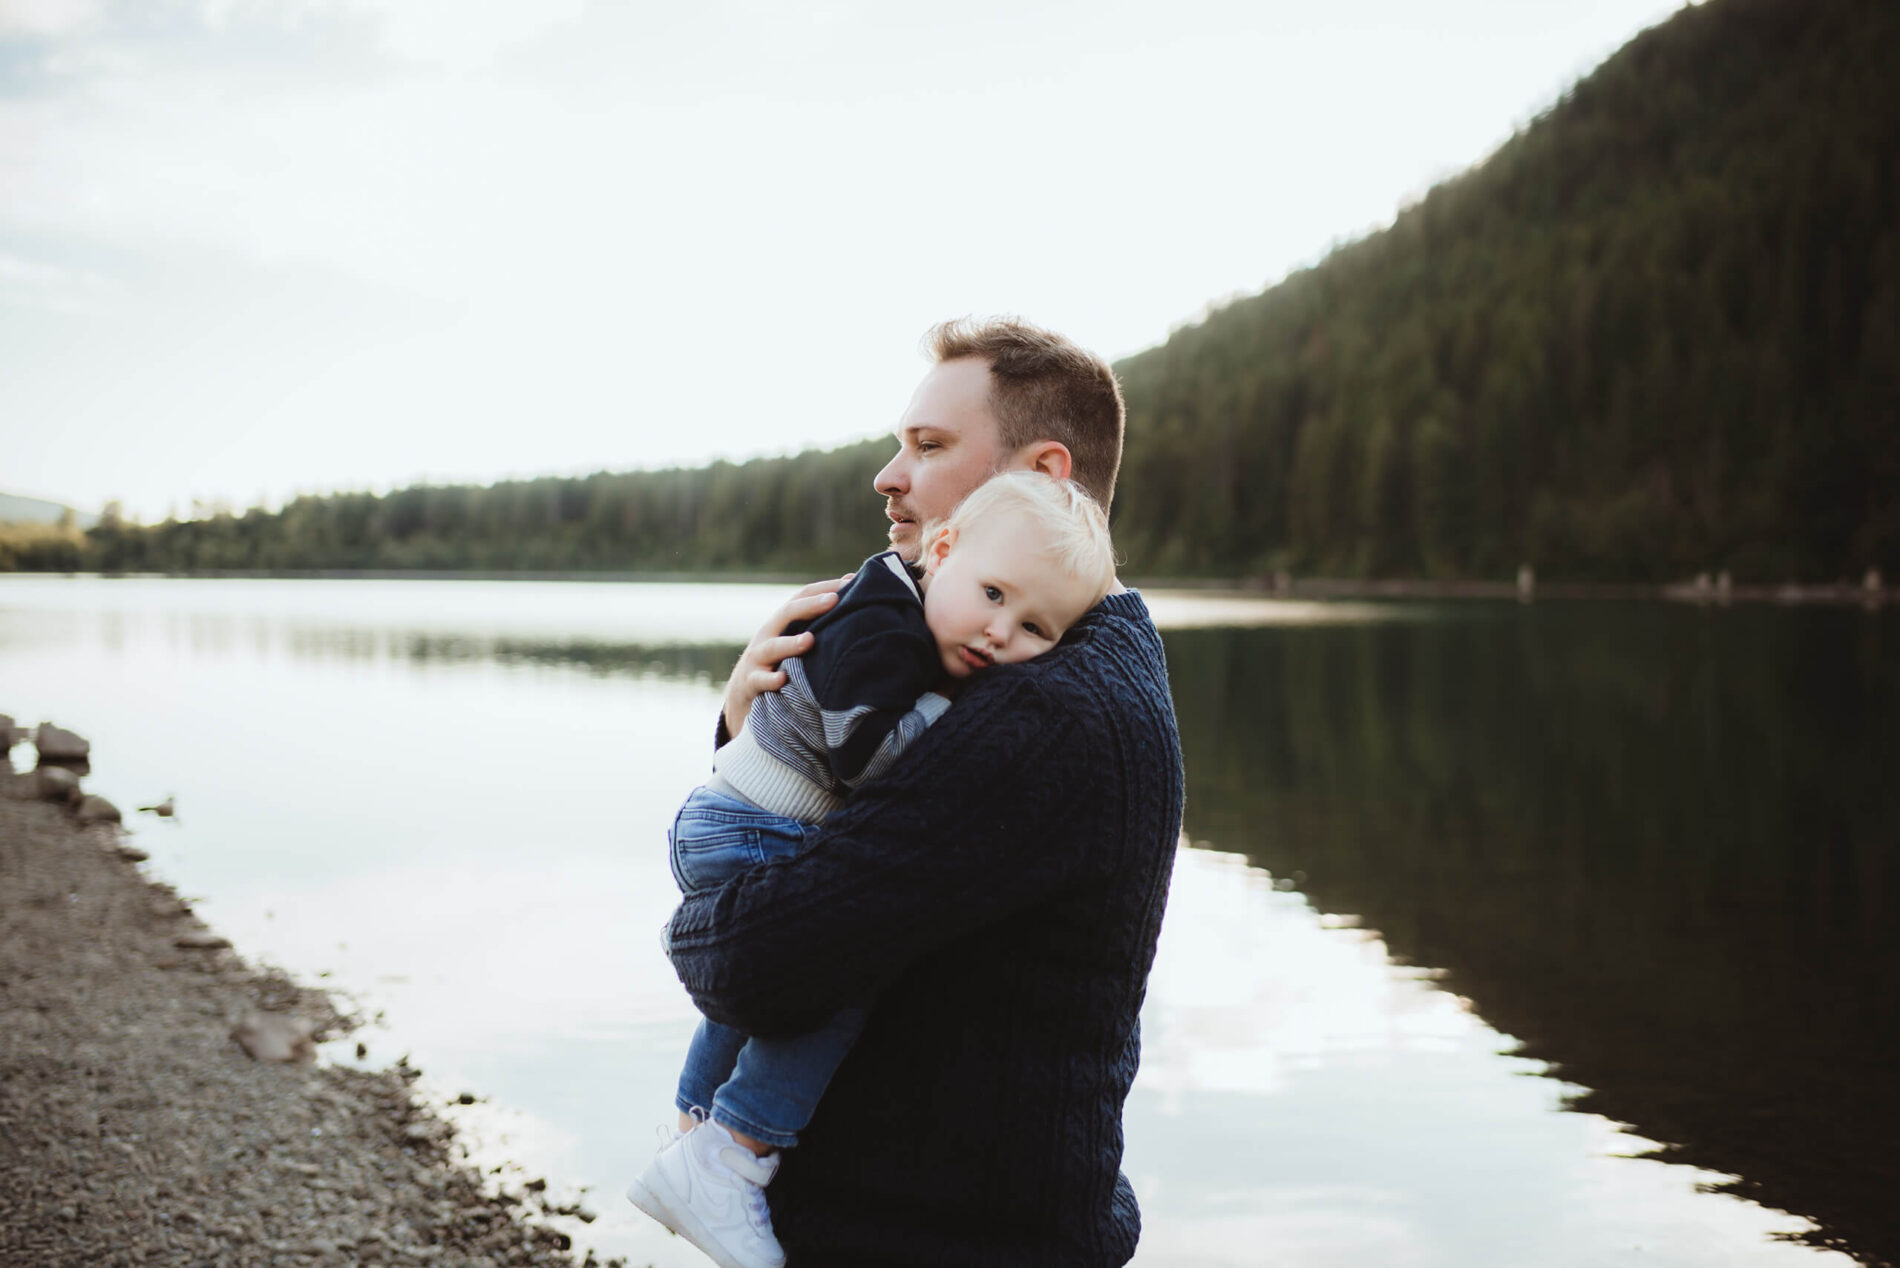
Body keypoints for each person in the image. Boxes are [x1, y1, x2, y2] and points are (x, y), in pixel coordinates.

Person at [663, 318, 1183, 1266]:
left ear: (1046, 476)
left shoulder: (1043, 713)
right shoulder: (1041, 660)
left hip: (945, 1238)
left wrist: (696, 914)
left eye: (930, 447)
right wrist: (749, 724)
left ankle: (706, 1140)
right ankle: (704, 1141)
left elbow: (757, 965)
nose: (887, 476)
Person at [629, 472, 1117, 1268]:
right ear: (946, 548)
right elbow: (864, 748)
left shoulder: (904, 604)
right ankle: (735, 1153)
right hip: (747, 822)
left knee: (778, 974)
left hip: (738, 808)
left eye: (1035, 628)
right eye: (992, 594)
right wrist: (953, 721)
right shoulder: (886, 622)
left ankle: (693, 1130)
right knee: (839, 963)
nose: (1000, 633)